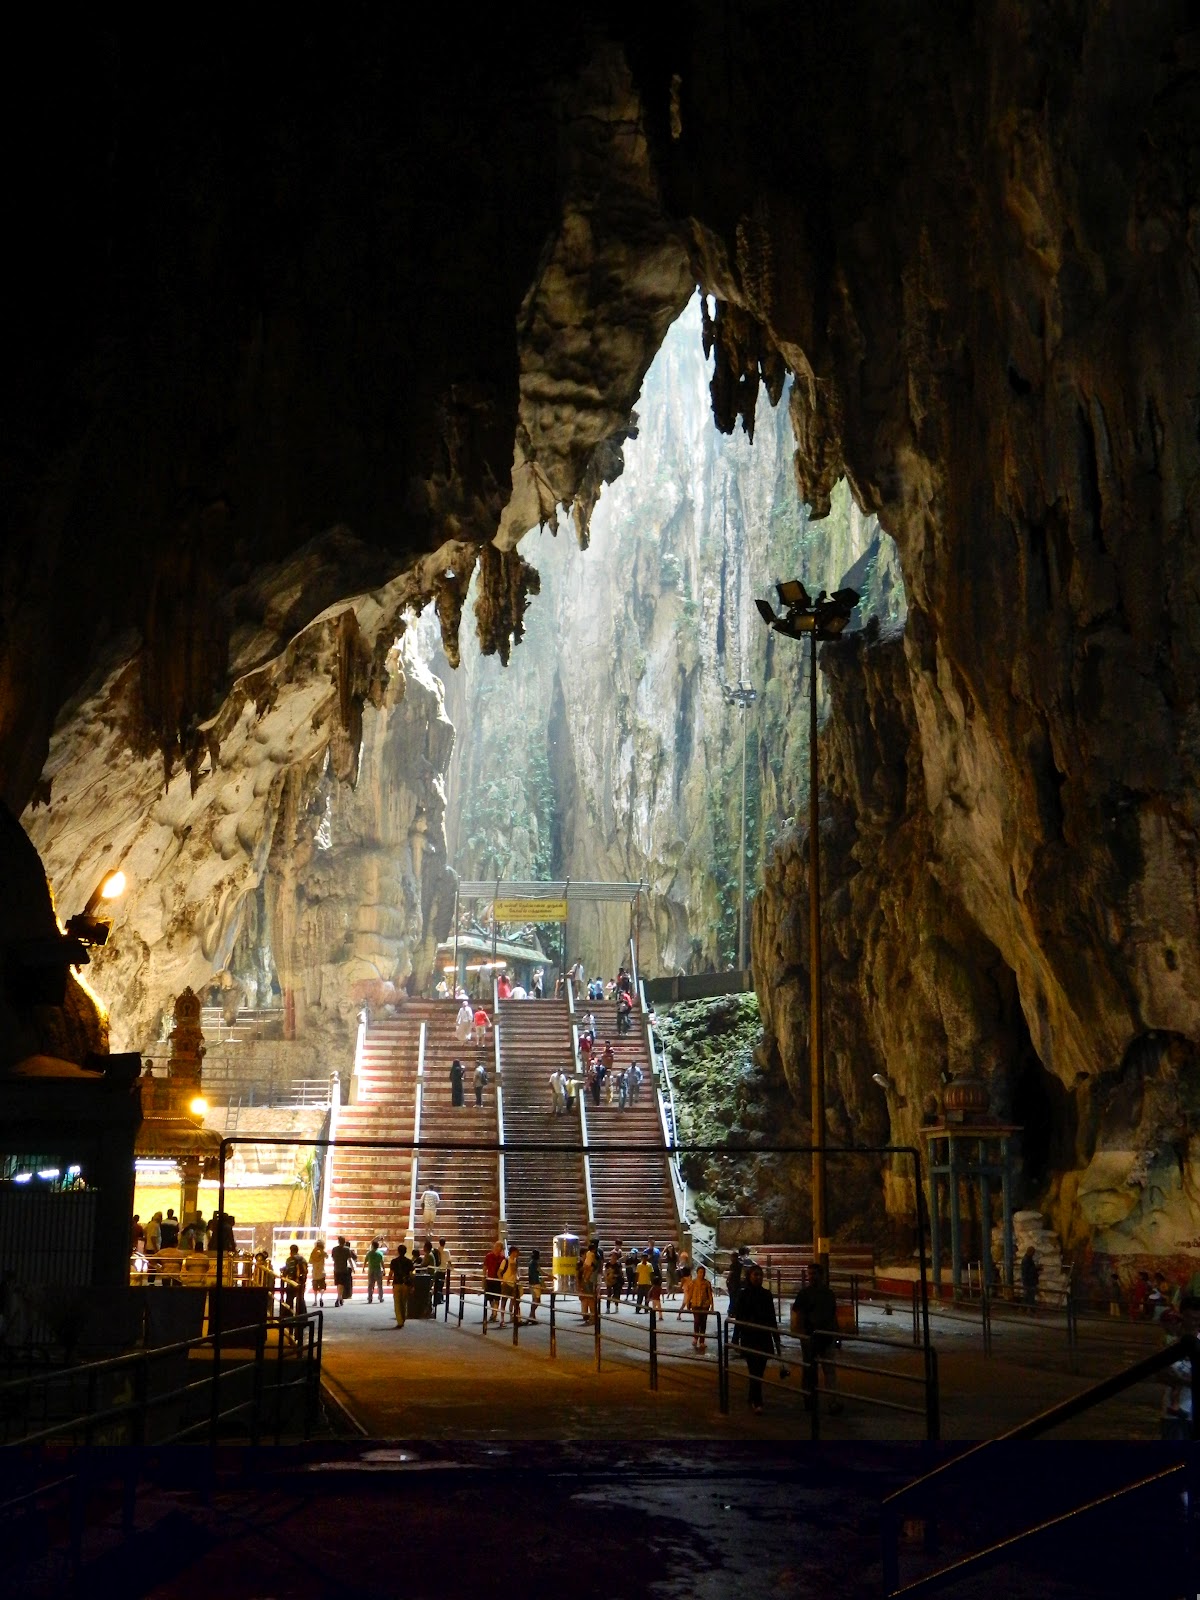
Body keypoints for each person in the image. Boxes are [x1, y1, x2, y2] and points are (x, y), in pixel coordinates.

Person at [792, 1264, 842, 1414]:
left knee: (828, 1371)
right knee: (810, 1371)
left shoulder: (828, 1293)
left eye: (814, 1273)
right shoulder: (805, 1293)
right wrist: (801, 1334)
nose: (811, 1276)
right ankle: (810, 1400)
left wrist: (837, 1334)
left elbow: (833, 1315)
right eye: (809, 1273)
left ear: (821, 1275)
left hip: (825, 1336)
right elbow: (798, 1315)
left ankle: (830, 1401)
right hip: (811, 1337)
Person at [733, 1264, 781, 1412]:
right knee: (754, 1369)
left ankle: (753, 1395)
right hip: (749, 1336)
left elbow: (772, 1317)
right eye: (755, 1275)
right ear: (750, 1276)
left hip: (763, 1336)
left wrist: (776, 1338)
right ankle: (757, 1400)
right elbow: (739, 1317)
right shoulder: (743, 1294)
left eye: (760, 1275)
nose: (758, 1277)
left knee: (759, 1369)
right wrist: (736, 1338)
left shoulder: (766, 1295)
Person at [1157, 1295, 1200, 1439]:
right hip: (1174, 1416)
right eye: (1190, 1317)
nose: (1194, 1323)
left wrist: (1180, 1380)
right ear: (1181, 1315)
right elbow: (1160, 1374)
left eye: (1198, 1319)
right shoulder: (1171, 1340)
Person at [686, 1264, 714, 1349]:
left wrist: (712, 1305)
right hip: (695, 1304)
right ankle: (695, 1337)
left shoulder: (707, 1283)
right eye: (700, 1272)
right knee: (697, 1321)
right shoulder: (693, 1283)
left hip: (705, 1305)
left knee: (703, 1322)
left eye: (703, 1272)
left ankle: (702, 1341)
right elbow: (690, 1293)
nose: (701, 1274)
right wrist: (688, 1302)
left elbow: (710, 1295)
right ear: (697, 1273)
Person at [389, 1244, 414, 1327]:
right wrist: (412, 1284)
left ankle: (400, 1321)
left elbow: (391, 1272)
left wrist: (389, 1279)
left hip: (397, 1283)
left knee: (397, 1303)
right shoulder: (409, 1262)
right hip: (405, 1283)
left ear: (398, 1251)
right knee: (404, 1302)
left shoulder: (394, 1261)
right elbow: (411, 1274)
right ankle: (403, 1318)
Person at [281, 1243, 308, 1318]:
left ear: (291, 1251)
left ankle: (288, 1316)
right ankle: (302, 1316)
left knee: (289, 1300)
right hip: (301, 1282)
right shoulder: (303, 1259)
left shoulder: (290, 1259)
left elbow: (288, 1270)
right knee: (300, 1299)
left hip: (292, 1283)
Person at [331, 1236, 357, 1305]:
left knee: (338, 1284)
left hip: (336, 1268)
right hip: (344, 1269)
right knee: (342, 1284)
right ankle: (339, 1298)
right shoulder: (347, 1249)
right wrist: (353, 1268)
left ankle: (340, 1298)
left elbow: (333, 1259)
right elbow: (349, 1260)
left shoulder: (334, 1249)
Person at [499, 1247, 521, 1327]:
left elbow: (516, 1271)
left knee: (516, 1301)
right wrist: (502, 1281)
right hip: (506, 1283)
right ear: (512, 1252)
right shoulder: (505, 1261)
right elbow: (499, 1272)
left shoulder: (516, 1261)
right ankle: (502, 1319)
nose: (517, 1254)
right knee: (504, 1301)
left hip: (514, 1283)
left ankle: (515, 1317)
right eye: (516, 1252)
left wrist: (517, 1278)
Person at [484, 1241, 505, 1321]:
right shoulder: (489, 1256)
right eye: (496, 1246)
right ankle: (493, 1311)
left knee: (497, 1298)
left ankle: (494, 1313)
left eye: (499, 1247)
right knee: (490, 1297)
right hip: (490, 1278)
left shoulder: (502, 1258)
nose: (497, 1248)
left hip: (497, 1280)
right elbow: (485, 1267)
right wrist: (484, 1278)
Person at [726, 1247, 745, 1321]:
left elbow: (731, 1273)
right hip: (737, 1283)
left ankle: (731, 1311)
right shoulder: (740, 1264)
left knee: (732, 1298)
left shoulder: (733, 1265)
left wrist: (727, 1280)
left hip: (733, 1283)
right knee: (735, 1298)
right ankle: (734, 1311)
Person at [365, 1238, 385, 1304]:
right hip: (378, 1270)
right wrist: (384, 1269)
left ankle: (370, 1298)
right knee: (380, 1285)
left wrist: (363, 1268)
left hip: (371, 1270)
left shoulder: (369, 1253)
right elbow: (382, 1262)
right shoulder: (380, 1253)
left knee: (370, 1285)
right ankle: (381, 1297)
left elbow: (365, 1261)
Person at [309, 1238, 328, 1307]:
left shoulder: (313, 1252)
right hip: (322, 1272)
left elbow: (310, 1261)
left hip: (315, 1273)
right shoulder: (323, 1252)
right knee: (322, 1287)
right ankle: (321, 1298)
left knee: (315, 1288)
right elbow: (327, 1257)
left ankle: (315, 1300)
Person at [1021, 1245, 1040, 1310]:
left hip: (1029, 1280)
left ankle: (1026, 1308)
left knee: (1028, 1295)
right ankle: (1028, 1309)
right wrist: (1036, 1269)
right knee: (1029, 1295)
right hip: (1029, 1281)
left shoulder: (1028, 1259)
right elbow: (1028, 1271)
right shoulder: (1027, 1260)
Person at [528, 1248, 544, 1320]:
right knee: (537, 1300)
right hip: (535, 1283)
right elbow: (541, 1271)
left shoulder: (531, 1262)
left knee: (534, 1300)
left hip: (531, 1282)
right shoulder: (535, 1263)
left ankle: (533, 1316)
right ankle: (531, 1315)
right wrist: (550, 1276)